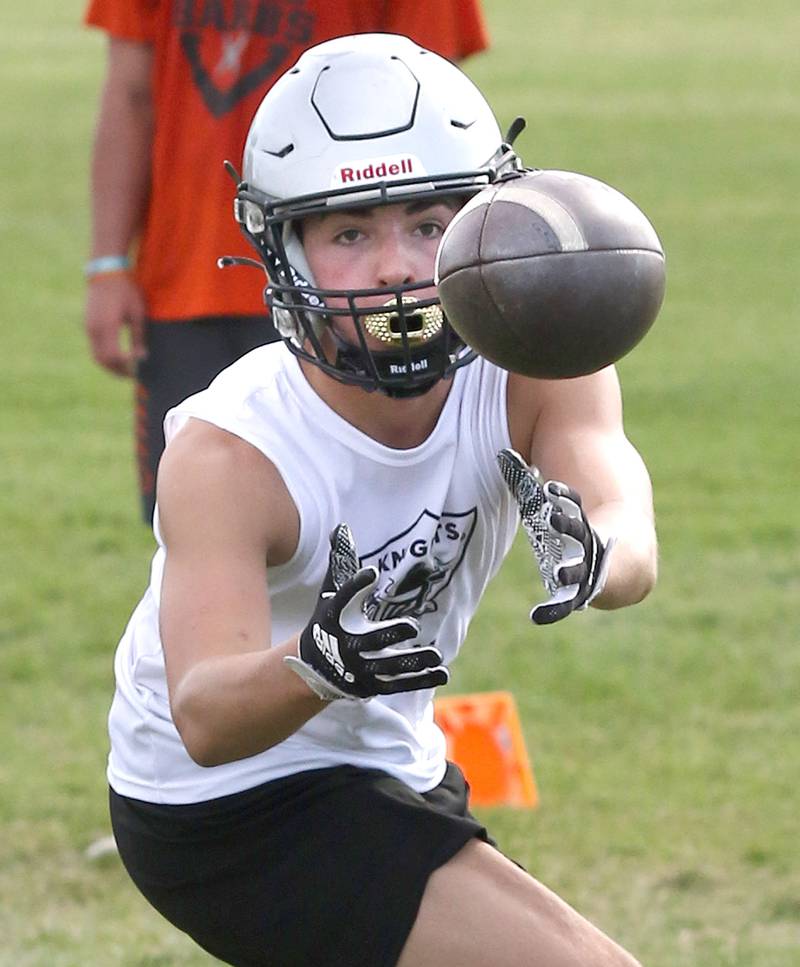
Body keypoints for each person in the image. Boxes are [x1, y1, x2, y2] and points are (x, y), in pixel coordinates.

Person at [106, 34, 658, 967]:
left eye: (428, 221)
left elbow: (622, 516)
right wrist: (318, 660)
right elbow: (203, 715)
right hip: (231, 804)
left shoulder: (535, 358)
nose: (398, 265)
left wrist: (596, 551)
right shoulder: (231, 449)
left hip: (392, 758)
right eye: (350, 233)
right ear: (286, 252)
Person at [83, 0, 490, 524]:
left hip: (347, 284)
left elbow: (434, 113)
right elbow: (130, 96)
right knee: (197, 516)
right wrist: (108, 264)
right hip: (184, 278)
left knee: (376, 517)